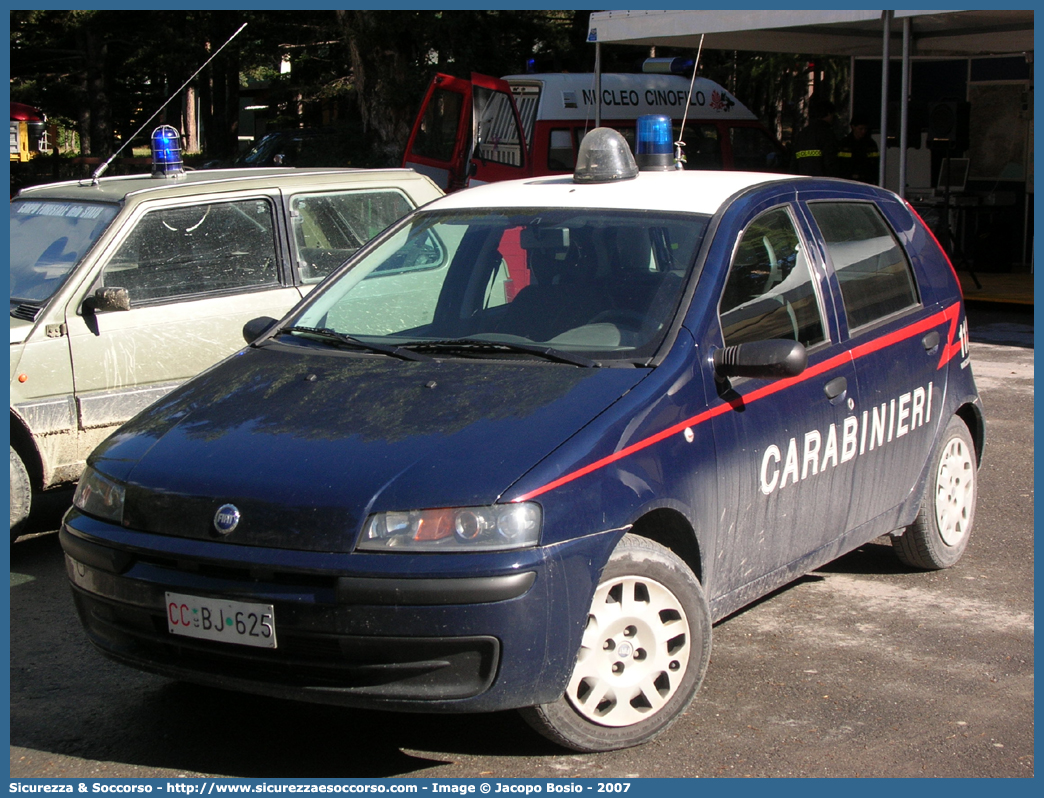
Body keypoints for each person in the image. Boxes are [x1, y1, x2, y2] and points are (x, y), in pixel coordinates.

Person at [792, 97, 839, 177]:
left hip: (802, 180)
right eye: (832, 115)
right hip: (821, 181)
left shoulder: (803, 133)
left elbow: (793, 162)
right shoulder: (827, 133)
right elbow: (830, 161)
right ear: (828, 114)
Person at [838, 114, 880, 183]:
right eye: (860, 129)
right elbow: (840, 165)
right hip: (848, 181)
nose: (863, 131)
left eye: (865, 129)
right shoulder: (845, 143)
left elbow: (875, 164)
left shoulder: (870, 144)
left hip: (866, 180)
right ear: (853, 127)